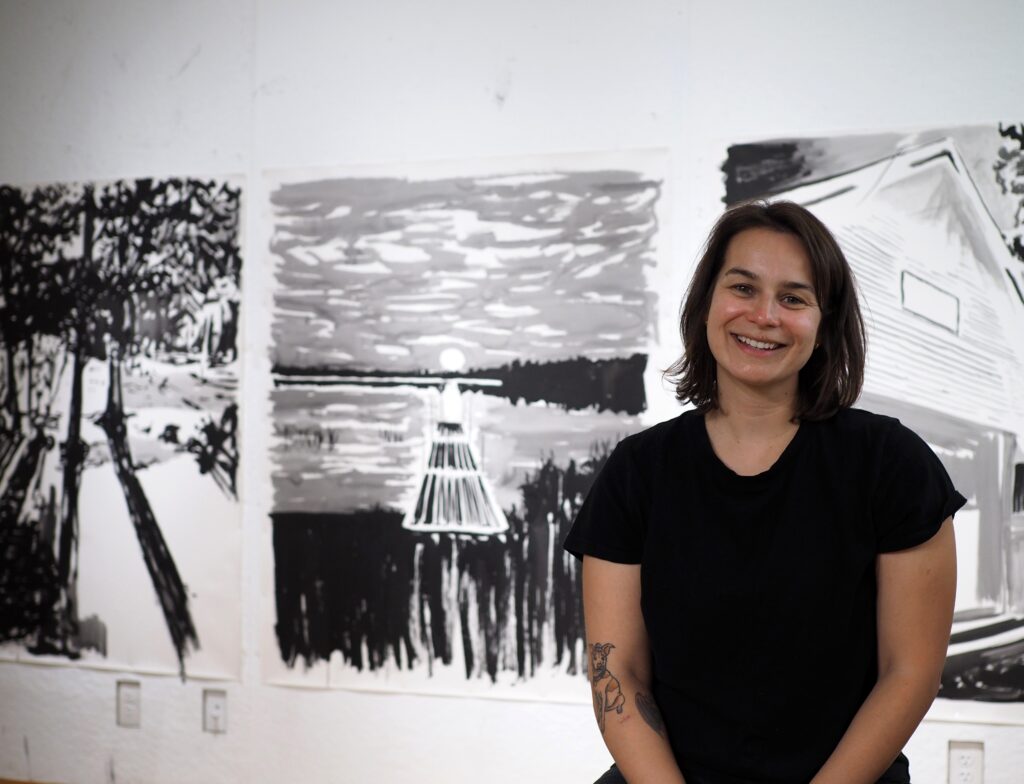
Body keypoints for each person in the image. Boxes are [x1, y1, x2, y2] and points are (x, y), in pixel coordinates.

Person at [563, 201, 964, 784]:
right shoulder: (637, 473)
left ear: (824, 324)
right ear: (706, 304)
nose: (764, 315)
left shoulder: (891, 465)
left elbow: (909, 673)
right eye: (743, 287)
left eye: (794, 298)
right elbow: (616, 672)